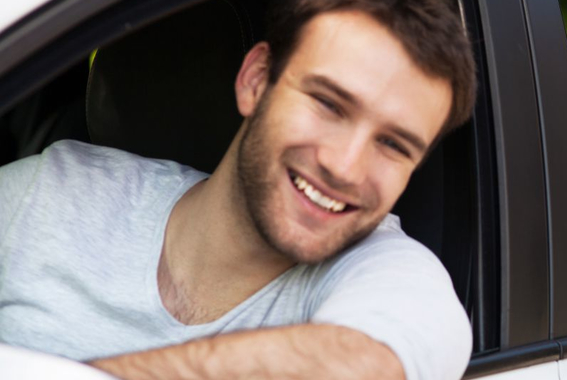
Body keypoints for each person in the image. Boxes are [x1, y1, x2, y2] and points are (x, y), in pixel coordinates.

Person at [0, 0, 476, 379]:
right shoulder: (51, 192)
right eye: (329, 104)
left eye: (393, 144)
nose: (346, 167)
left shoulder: (395, 275)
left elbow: (369, 366)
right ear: (255, 81)